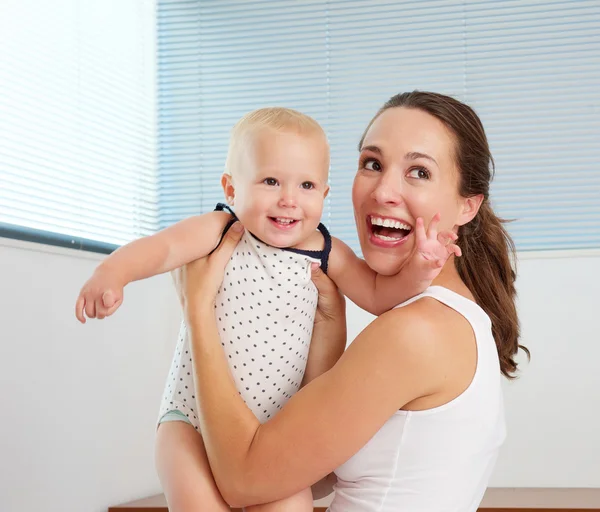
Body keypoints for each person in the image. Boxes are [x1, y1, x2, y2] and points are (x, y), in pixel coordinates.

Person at [75, 107, 459, 511]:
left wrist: (421, 268)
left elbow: (381, 295)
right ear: (231, 188)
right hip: (191, 419)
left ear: (324, 195)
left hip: (273, 432)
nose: (289, 200)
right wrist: (112, 273)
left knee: (292, 504)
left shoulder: (326, 251)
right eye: (271, 181)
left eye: (307, 185)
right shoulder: (221, 230)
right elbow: (163, 247)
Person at [172, 91, 529, 512]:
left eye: (418, 172)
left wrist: (198, 310)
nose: (384, 192)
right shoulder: (454, 316)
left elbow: (245, 481)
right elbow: (306, 471)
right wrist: (330, 325)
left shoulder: (419, 331)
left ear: (467, 206)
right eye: (372, 164)